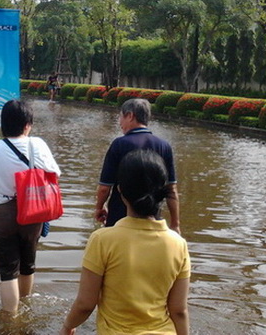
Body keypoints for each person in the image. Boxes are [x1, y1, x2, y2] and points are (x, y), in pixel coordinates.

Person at [60, 149, 190, 334]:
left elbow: (85, 304)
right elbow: (179, 311)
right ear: (162, 192)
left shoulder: (103, 240)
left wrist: (67, 326)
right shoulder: (178, 244)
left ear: (120, 190)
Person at [0, 99, 61, 314]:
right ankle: (27, 308)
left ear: (3, 124)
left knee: (7, 271)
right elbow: (55, 176)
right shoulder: (38, 145)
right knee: (28, 264)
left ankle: (10, 319)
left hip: (3, 212)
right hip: (33, 211)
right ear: (27, 124)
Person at [94, 98, 180, 233]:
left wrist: (99, 207)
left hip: (120, 217)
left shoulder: (119, 145)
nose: (119, 122)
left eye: (121, 116)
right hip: (153, 219)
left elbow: (105, 187)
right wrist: (175, 224)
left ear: (130, 116)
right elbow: (171, 189)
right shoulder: (164, 146)